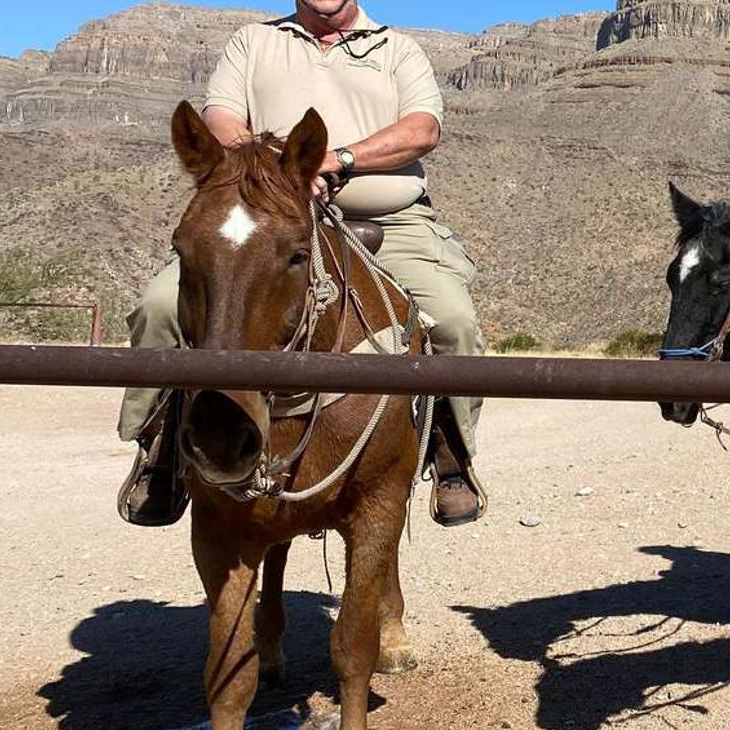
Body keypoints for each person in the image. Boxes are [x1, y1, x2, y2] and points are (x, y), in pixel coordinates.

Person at [117, 0, 488, 527]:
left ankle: (450, 453)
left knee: (452, 319)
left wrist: (338, 159)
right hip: (269, 215)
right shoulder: (254, 42)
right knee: (160, 307)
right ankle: (161, 453)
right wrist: (277, 173)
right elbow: (220, 115)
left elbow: (422, 129)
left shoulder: (396, 49)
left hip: (390, 218)